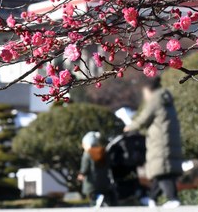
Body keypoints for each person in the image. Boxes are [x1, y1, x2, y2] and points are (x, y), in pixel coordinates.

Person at [125, 76, 183, 208]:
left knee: (162, 171)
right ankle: (152, 198)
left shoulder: (155, 99)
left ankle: (173, 198)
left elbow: (143, 118)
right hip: (167, 138)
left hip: (160, 140)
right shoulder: (165, 98)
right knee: (161, 171)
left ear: (147, 89)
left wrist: (129, 126)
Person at [78, 131, 116, 207]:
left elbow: (85, 168)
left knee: (93, 199)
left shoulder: (87, 153)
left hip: (91, 183)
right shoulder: (103, 152)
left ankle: (96, 202)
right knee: (105, 194)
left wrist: (81, 174)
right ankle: (103, 201)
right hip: (104, 181)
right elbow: (109, 165)